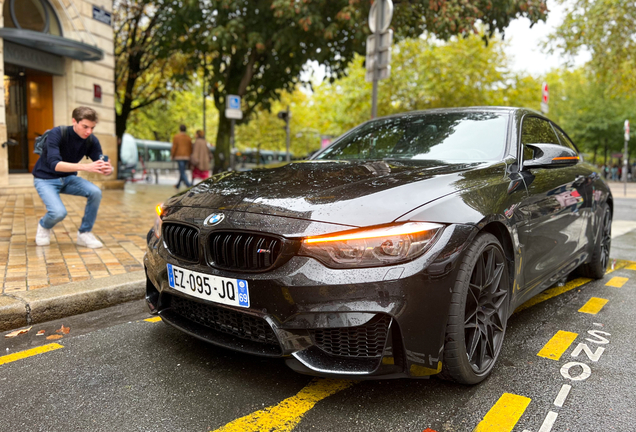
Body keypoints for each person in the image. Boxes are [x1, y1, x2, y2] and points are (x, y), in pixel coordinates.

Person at [33, 106, 113, 248]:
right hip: (45, 179)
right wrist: (85, 167)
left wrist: (108, 169)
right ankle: (44, 226)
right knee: (58, 212)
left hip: (68, 179)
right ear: (74, 121)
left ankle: (84, 233)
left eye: (92, 128)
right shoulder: (57, 133)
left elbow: (101, 162)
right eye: (85, 126)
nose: (88, 131)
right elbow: (54, 164)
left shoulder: (91, 140)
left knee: (95, 192)